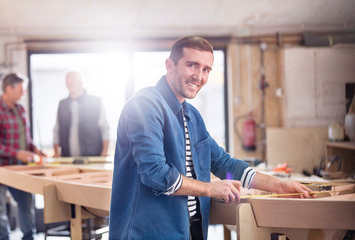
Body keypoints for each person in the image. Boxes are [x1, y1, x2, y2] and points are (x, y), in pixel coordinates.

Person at [109, 36, 312, 240]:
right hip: (146, 233)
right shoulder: (144, 105)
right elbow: (155, 174)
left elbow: (223, 164)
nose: (199, 76)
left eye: (206, 69)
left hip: (190, 230)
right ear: (170, 66)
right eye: (192, 65)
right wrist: (210, 188)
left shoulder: (192, 116)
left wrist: (278, 186)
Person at [0, 73, 45, 240]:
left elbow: (26, 138)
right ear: (9, 89)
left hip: (20, 168)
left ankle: (28, 237)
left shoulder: (21, 108)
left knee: (26, 204)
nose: (23, 93)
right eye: (21, 89)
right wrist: (16, 153)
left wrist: (35, 149)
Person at [53, 71, 110, 157]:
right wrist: (56, 152)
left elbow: (104, 128)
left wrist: (105, 151)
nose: (70, 84)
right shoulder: (62, 104)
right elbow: (57, 130)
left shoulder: (96, 102)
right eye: (67, 82)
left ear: (81, 83)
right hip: (67, 158)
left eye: (73, 81)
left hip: (92, 157)